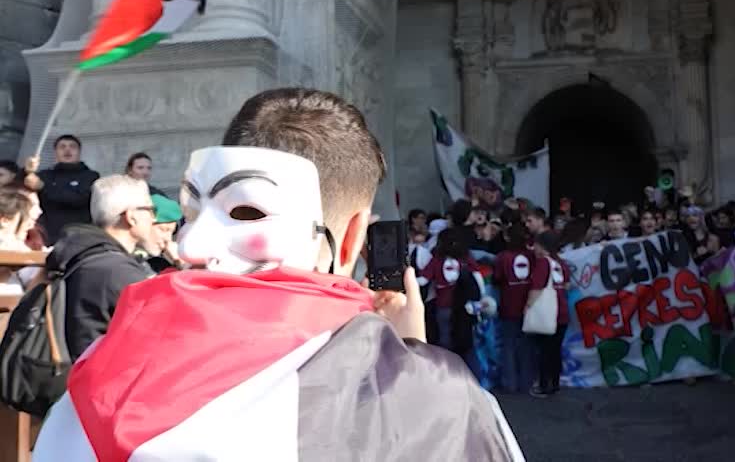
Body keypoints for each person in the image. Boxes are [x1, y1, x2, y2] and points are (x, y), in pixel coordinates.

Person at [33, 88, 523, 461]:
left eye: (244, 212)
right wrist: (412, 364)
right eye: (189, 214)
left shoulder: (94, 374)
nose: (192, 243)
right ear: (354, 239)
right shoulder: (442, 400)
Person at [47, 175, 158, 360]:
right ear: (131, 217)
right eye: (150, 210)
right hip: (101, 378)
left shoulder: (79, 254)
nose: (154, 218)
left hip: (72, 376)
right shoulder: (118, 271)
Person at [494, 224, 537, 394]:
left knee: (509, 346)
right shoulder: (531, 256)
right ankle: (527, 382)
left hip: (508, 305)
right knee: (527, 346)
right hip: (528, 305)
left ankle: (509, 383)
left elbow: (497, 278)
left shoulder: (503, 257)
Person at [35, 134, 101, 243]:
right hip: (47, 235)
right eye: (62, 147)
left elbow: (79, 198)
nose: (67, 150)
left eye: (72, 146)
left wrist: (44, 188)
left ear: (79, 152)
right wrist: (27, 171)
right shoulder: (45, 175)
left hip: (78, 235)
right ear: (55, 152)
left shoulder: (90, 176)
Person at [527, 231, 569, 398]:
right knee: (555, 350)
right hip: (562, 312)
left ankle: (544, 385)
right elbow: (567, 285)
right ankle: (555, 383)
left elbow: (537, 288)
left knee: (544, 350)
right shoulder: (561, 263)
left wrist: (528, 306)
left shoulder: (543, 263)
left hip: (547, 313)